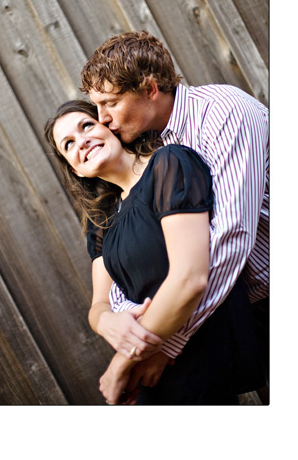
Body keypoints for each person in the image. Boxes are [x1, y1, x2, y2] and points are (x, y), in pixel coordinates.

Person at [79, 31, 269, 389]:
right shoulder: (156, 149)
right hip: (242, 308)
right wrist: (117, 322)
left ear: (150, 88)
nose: (102, 119)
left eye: (111, 103)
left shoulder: (222, 112)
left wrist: (165, 345)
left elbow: (231, 237)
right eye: (96, 106)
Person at [45, 100, 263, 404]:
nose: (82, 141)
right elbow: (98, 304)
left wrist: (127, 358)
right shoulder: (102, 221)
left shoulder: (168, 165)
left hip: (197, 348)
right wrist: (106, 321)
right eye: (69, 144)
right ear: (75, 169)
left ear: (108, 127)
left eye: (87, 126)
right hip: (147, 366)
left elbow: (193, 278)